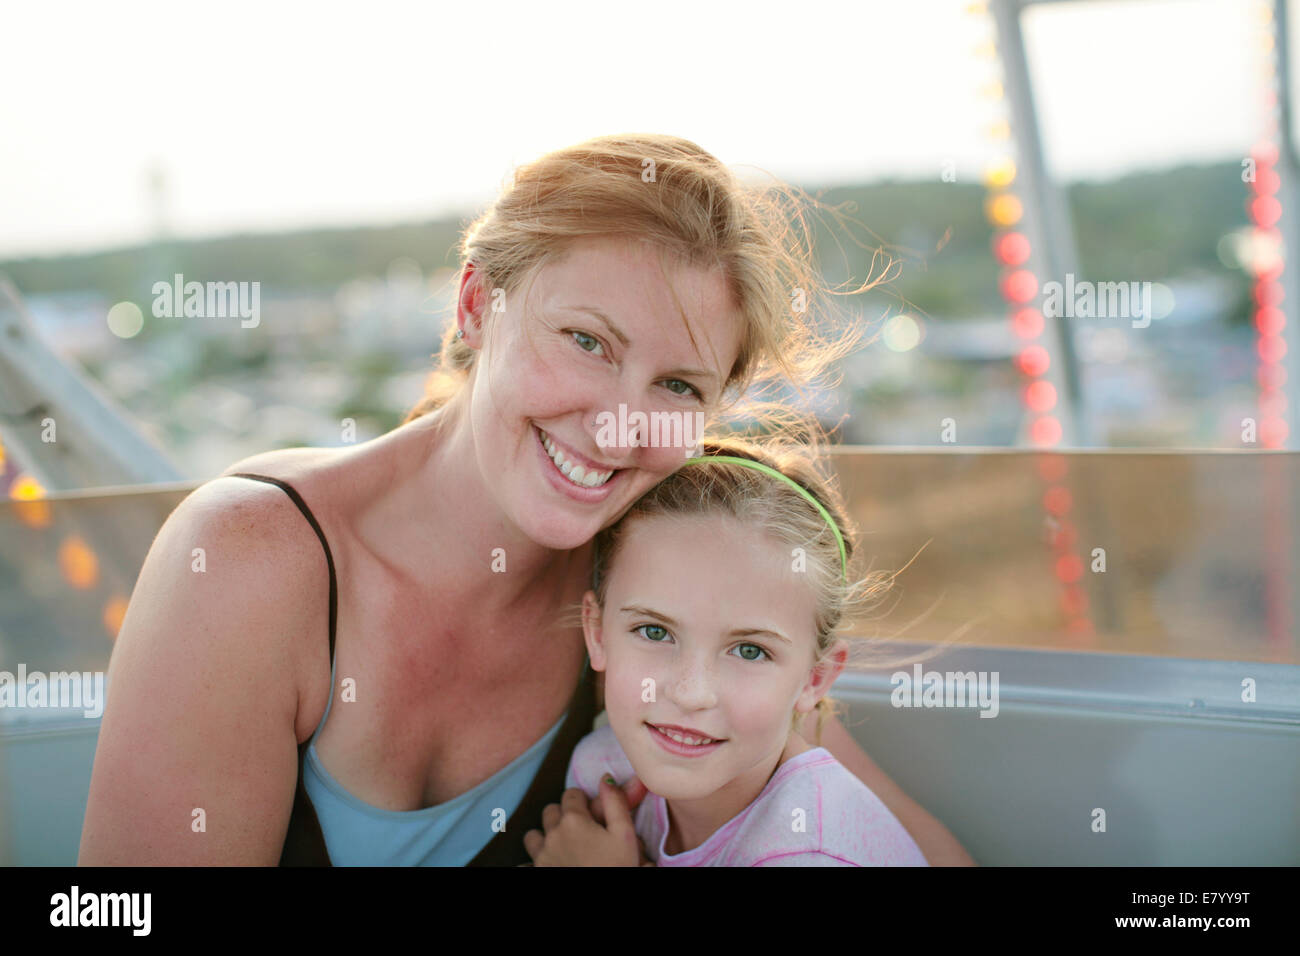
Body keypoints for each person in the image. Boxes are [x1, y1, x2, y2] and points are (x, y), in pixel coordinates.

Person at [78, 133, 974, 866]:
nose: (620, 429)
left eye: (676, 387)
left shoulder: (669, 592)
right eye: (585, 341)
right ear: (476, 305)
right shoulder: (250, 561)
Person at [524, 438, 930, 866]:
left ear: (815, 678)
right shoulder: (603, 769)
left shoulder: (810, 855)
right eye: (654, 631)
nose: (691, 693)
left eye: (750, 652)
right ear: (598, 634)